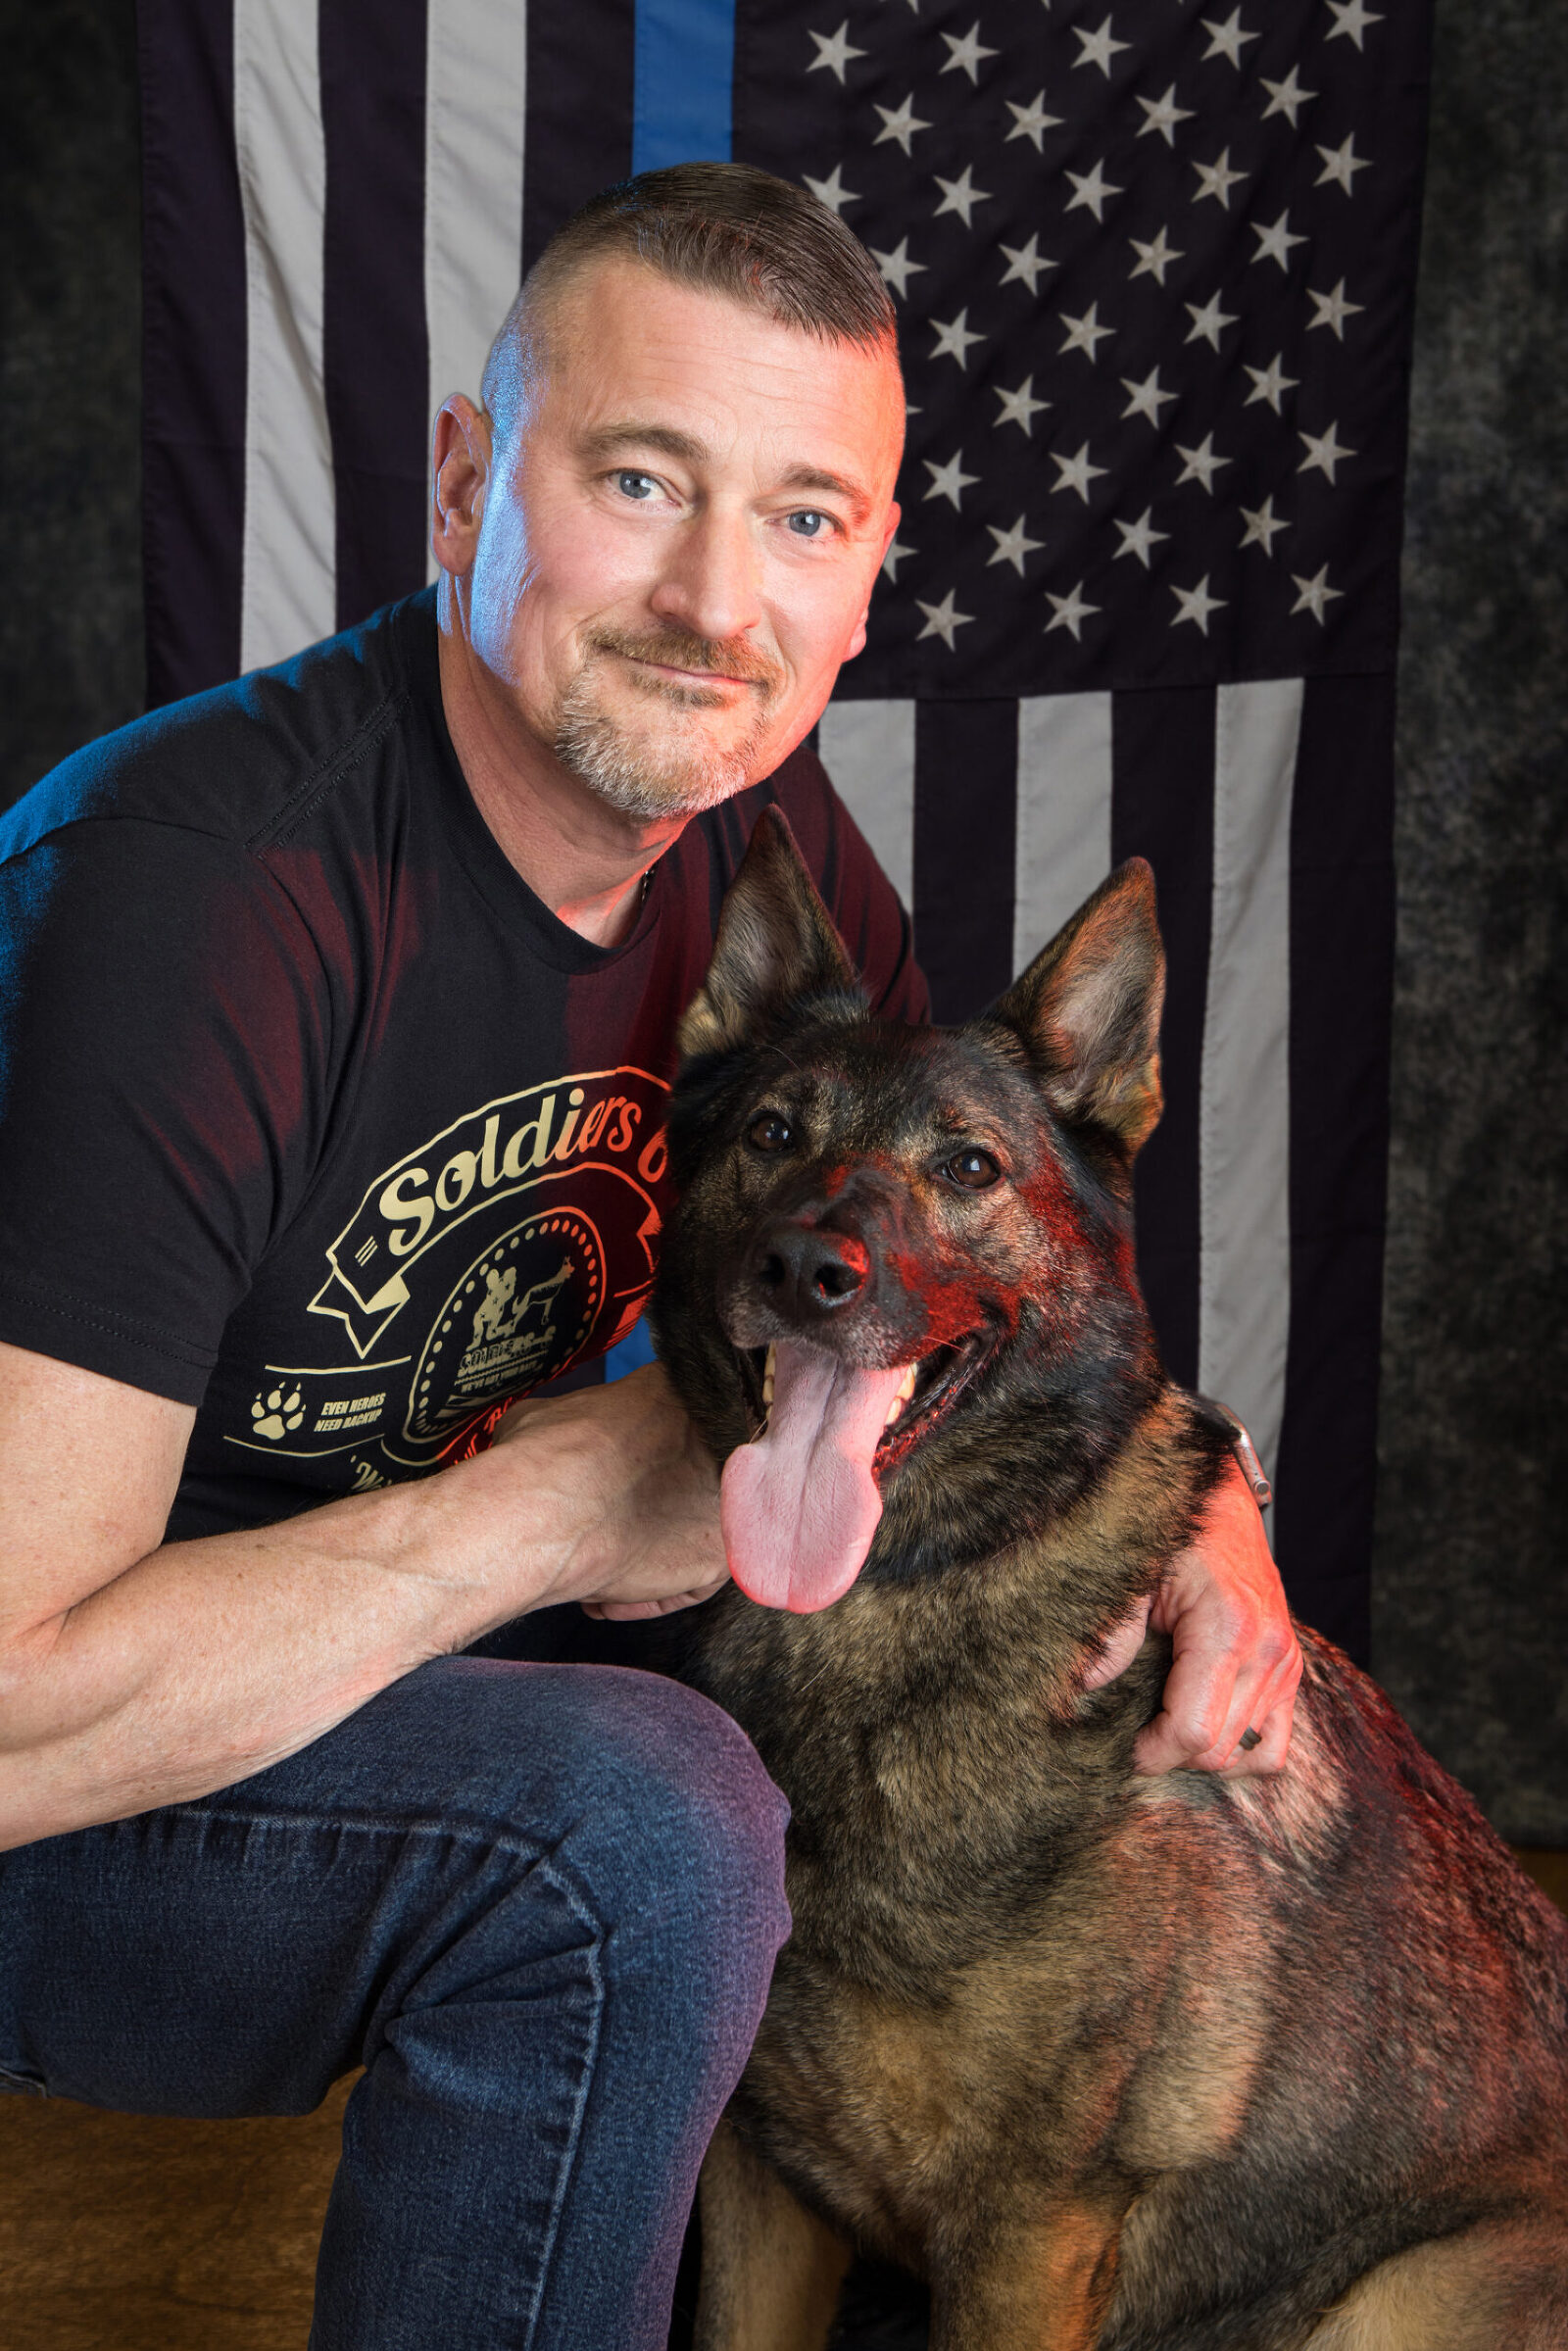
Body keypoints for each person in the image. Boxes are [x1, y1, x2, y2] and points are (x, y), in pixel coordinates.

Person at [0, 166, 1301, 2347]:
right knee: (645, 1821)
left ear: (871, 579)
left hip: (365, 1709)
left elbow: (1005, 1214)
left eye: (803, 519)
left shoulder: (744, 863)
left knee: (981, 1799)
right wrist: (550, 1504)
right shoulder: (203, 890)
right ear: (462, 481)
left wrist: (1207, 1497)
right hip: (75, 1811)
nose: (716, 601)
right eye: (638, 480)